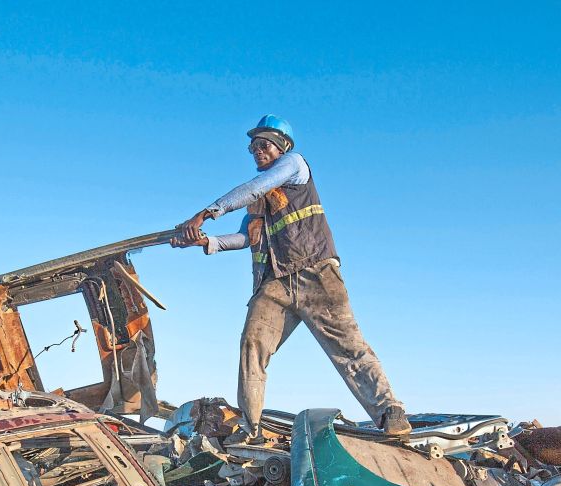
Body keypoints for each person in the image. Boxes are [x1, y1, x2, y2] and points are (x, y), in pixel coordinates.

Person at [172, 114, 411, 441]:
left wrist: (206, 212)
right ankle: (250, 428)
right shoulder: (257, 206)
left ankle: (390, 413)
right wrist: (207, 241)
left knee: (348, 347)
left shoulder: (294, 165)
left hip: (316, 274)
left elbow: (256, 187)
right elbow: (245, 239)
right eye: (253, 147)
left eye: (263, 144)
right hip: (275, 285)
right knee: (252, 346)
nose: (257, 151)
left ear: (281, 145)